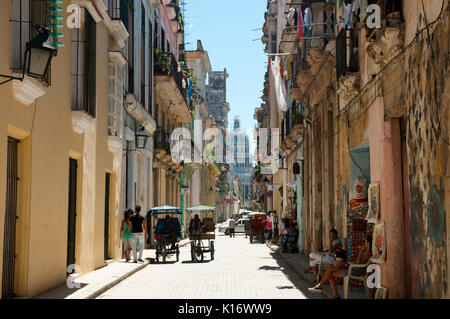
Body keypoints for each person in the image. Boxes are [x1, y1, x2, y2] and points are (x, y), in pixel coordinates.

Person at [308, 236, 373, 299]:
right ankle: (332, 294)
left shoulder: (368, 253)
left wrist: (360, 252)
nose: (364, 243)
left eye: (365, 242)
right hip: (352, 267)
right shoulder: (366, 252)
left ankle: (319, 287)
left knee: (329, 270)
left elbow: (358, 263)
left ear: (368, 243)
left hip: (353, 270)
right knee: (329, 271)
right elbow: (358, 261)